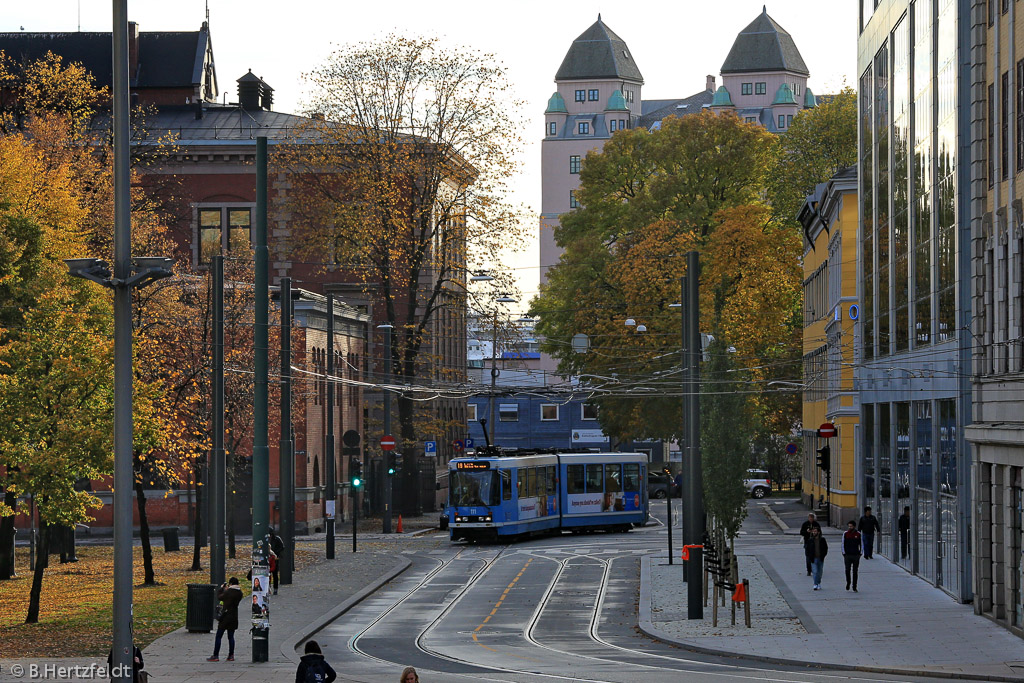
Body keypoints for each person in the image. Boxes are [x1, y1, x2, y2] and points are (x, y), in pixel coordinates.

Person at [208, 576, 243, 662]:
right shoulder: (240, 593)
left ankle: (215, 655)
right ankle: (231, 655)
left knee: (219, 636)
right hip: (234, 616)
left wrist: (221, 589)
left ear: (230, 583)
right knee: (231, 637)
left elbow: (220, 597)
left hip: (225, 616)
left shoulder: (228, 592)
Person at [803, 525, 828, 590]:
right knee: (815, 571)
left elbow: (825, 548)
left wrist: (823, 555)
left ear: (818, 532)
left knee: (820, 572)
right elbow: (807, 549)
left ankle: (818, 583)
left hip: (820, 558)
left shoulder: (822, 540)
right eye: (813, 531)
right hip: (813, 558)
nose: (814, 533)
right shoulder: (810, 540)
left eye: (815, 531)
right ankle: (815, 584)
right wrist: (809, 556)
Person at [841, 520, 862, 592]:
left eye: (851, 526)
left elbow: (861, 544)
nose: (850, 527)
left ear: (854, 526)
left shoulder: (858, 534)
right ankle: (848, 582)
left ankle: (854, 586)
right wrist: (844, 553)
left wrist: (860, 553)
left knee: (855, 571)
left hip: (856, 555)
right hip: (847, 555)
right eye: (849, 526)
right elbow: (843, 544)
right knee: (847, 570)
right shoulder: (845, 534)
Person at [268, 526, 285, 594]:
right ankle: (268, 588)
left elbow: (282, 547)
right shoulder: (266, 539)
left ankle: (275, 588)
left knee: (275, 574)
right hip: (268, 558)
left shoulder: (277, 539)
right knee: (267, 574)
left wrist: (276, 553)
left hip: (274, 558)